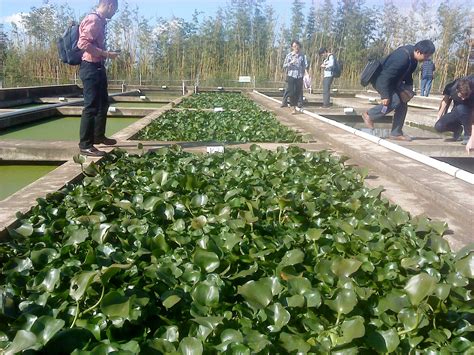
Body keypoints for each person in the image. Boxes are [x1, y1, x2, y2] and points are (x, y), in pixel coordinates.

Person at [361, 40, 436, 141]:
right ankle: (369, 115)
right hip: (380, 80)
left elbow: (408, 75)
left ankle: (396, 133)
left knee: (402, 104)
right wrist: (385, 95)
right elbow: (385, 77)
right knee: (394, 101)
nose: (427, 58)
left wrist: (408, 89)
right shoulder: (402, 58)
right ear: (418, 51)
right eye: (426, 56)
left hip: (392, 81)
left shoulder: (413, 60)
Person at [77, 0, 120, 156]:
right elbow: (82, 43)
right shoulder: (94, 19)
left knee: (103, 103)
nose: (114, 13)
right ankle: (85, 145)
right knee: (91, 106)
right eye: (115, 10)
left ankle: (98, 136)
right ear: (109, 5)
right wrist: (106, 54)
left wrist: (105, 54)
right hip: (90, 67)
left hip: (98, 67)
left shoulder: (100, 21)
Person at [434, 76, 474, 144]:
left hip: (470, 114)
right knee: (439, 126)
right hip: (457, 113)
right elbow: (445, 100)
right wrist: (439, 115)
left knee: (462, 108)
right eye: (462, 96)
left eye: (466, 95)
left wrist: (472, 138)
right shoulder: (451, 88)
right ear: (457, 90)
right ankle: (457, 129)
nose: (464, 99)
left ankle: (468, 135)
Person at [283, 40, 308, 114]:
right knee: (291, 92)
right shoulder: (289, 55)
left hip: (299, 76)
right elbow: (284, 65)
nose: (296, 47)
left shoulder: (302, 55)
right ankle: (293, 108)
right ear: (292, 47)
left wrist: (306, 73)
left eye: (297, 46)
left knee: (297, 92)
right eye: (294, 46)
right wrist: (290, 63)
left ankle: (296, 106)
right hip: (291, 75)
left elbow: (304, 66)